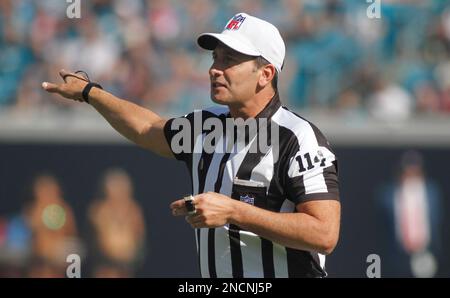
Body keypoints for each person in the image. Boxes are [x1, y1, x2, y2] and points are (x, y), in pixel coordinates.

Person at [42, 12, 341, 278]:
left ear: (265, 74)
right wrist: (90, 93)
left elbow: (325, 233)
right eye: (215, 58)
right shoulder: (206, 127)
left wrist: (234, 212)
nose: (214, 68)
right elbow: (147, 127)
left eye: (230, 60)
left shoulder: (299, 138)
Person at [88, 168, 146, 278]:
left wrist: (130, 255)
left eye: (122, 189)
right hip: (105, 266)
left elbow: (139, 237)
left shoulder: (134, 210)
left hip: (126, 266)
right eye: (115, 189)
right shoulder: (99, 210)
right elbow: (100, 240)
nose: (119, 193)